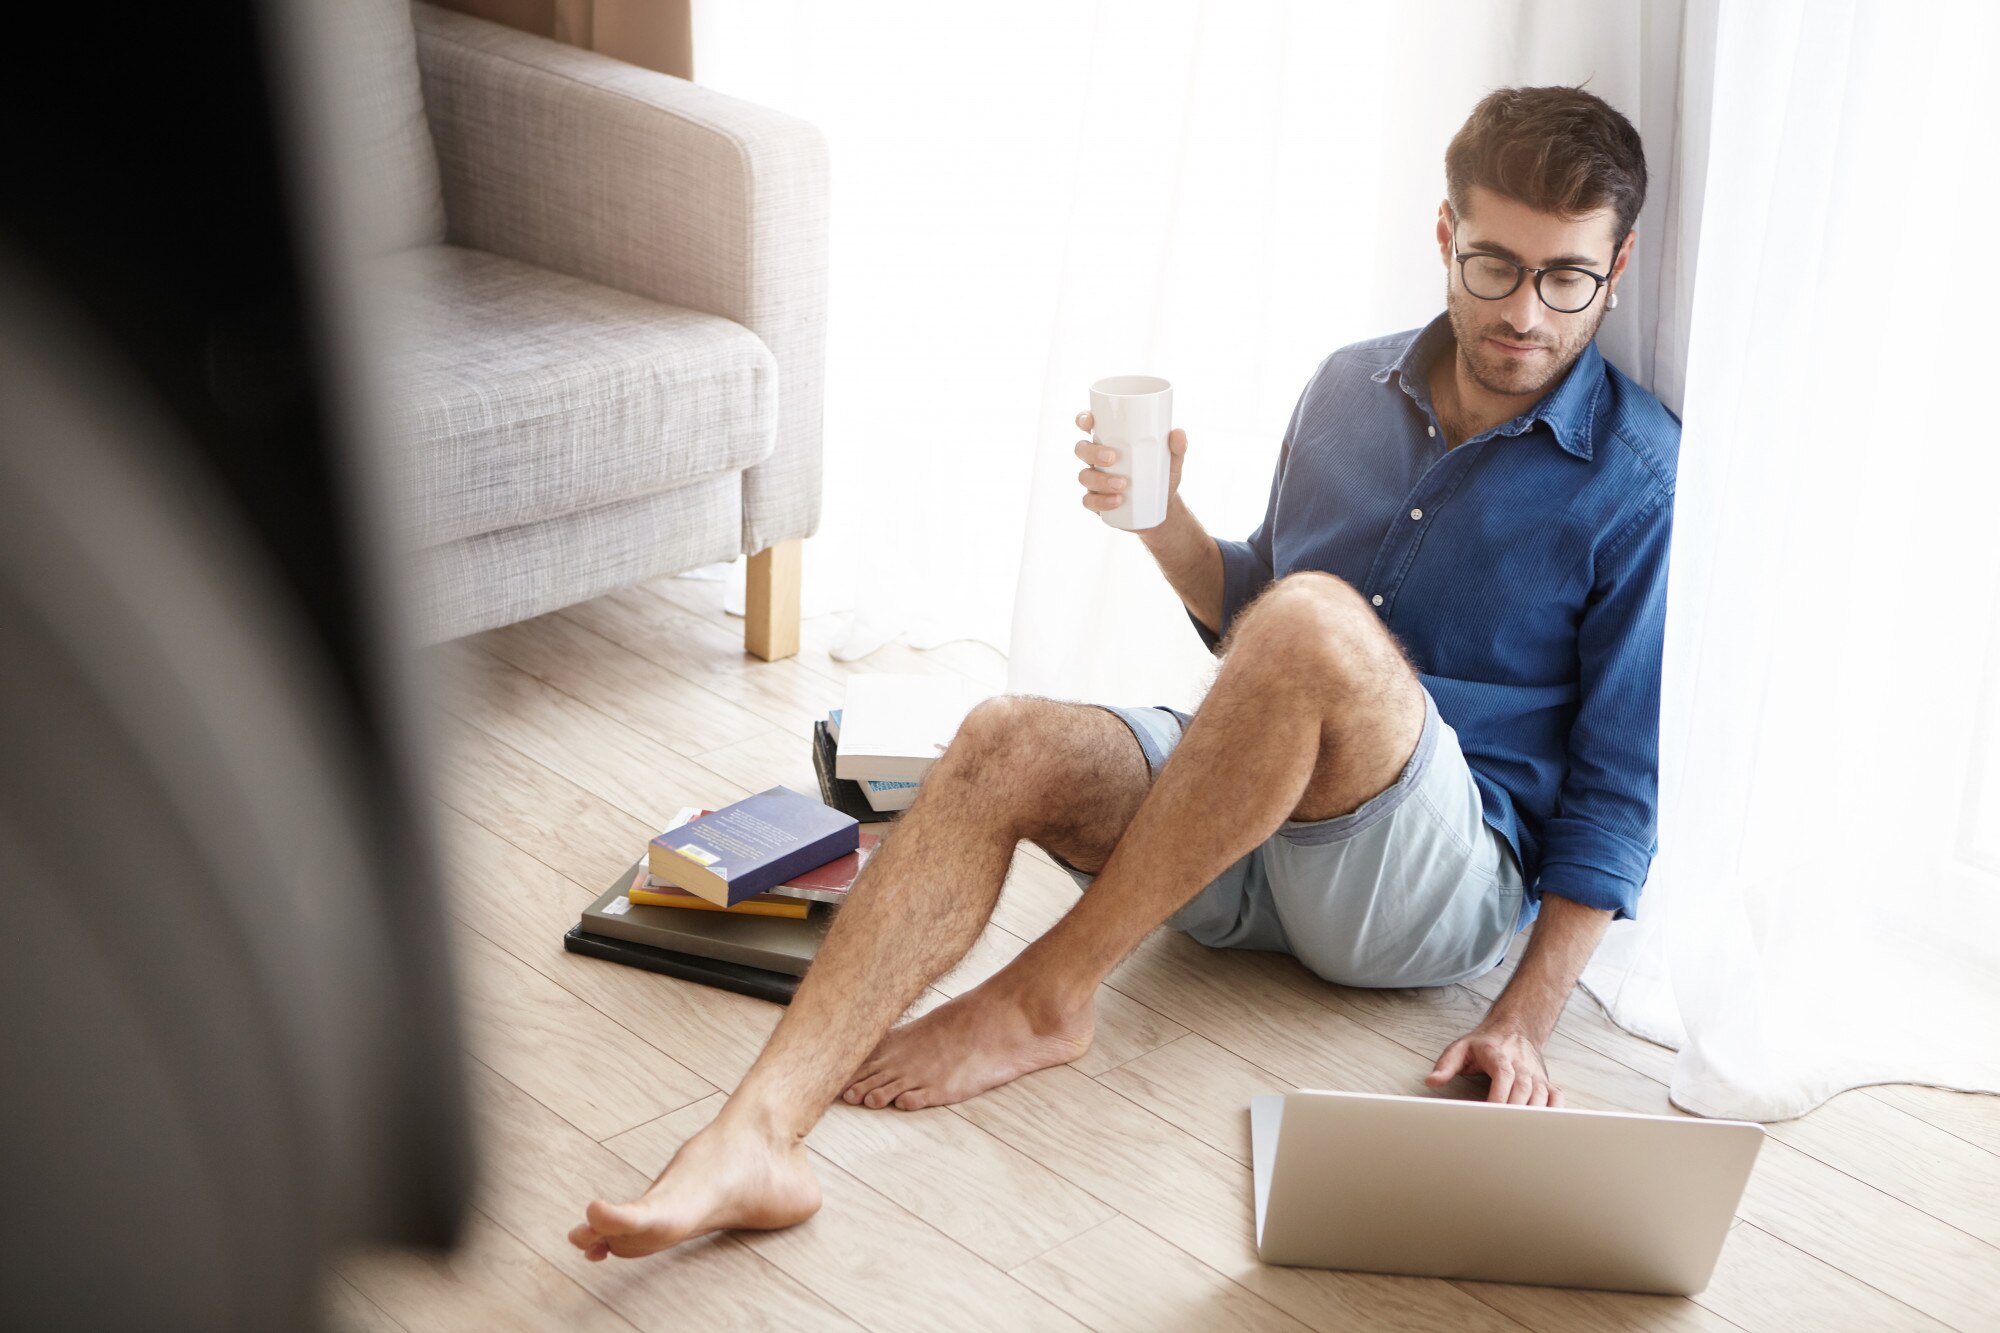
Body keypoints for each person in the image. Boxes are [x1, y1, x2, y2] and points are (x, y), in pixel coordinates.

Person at [568, 83, 1679, 1262]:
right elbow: (1258, 623)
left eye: (1567, 279)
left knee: (1313, 623)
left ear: (1615, 272)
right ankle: (753, 1136)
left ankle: (1050, 990)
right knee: (1004, 732)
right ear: (1444, 238)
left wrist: (1523, 1021)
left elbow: (1614, 787)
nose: (1525, 312)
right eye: (1495, 268)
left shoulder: (1635, 474)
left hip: (1419, 890)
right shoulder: (1348, 387)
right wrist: (1160, 522)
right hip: (1237, 826)